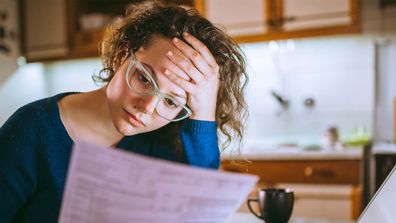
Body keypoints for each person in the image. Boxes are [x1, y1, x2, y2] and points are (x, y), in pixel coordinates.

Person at [0, 1, 248, 222]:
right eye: (144, 78)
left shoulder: (165, 143)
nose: (147, 108)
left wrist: (203, 112)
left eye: (171, 102)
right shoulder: (31, 129)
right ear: (121, 56)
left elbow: (201, 209)